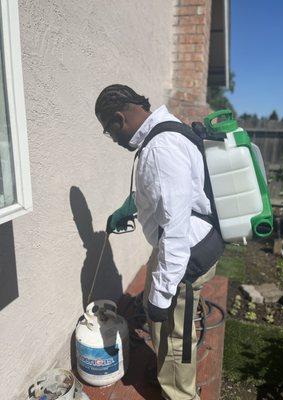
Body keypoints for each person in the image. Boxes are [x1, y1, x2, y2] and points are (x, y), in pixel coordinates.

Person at [95, 84, 218, 400]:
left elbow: (175, 234)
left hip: (186, 252)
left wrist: (161, 297)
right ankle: (170, 371)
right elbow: (171, 194)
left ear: (119, 118)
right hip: (188, 241)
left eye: (109, 132)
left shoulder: (159, 149)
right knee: (165, 321)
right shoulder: (166, 130)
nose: (114, 141)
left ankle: (179, 392)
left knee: (175, 335)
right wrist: (134, 204)